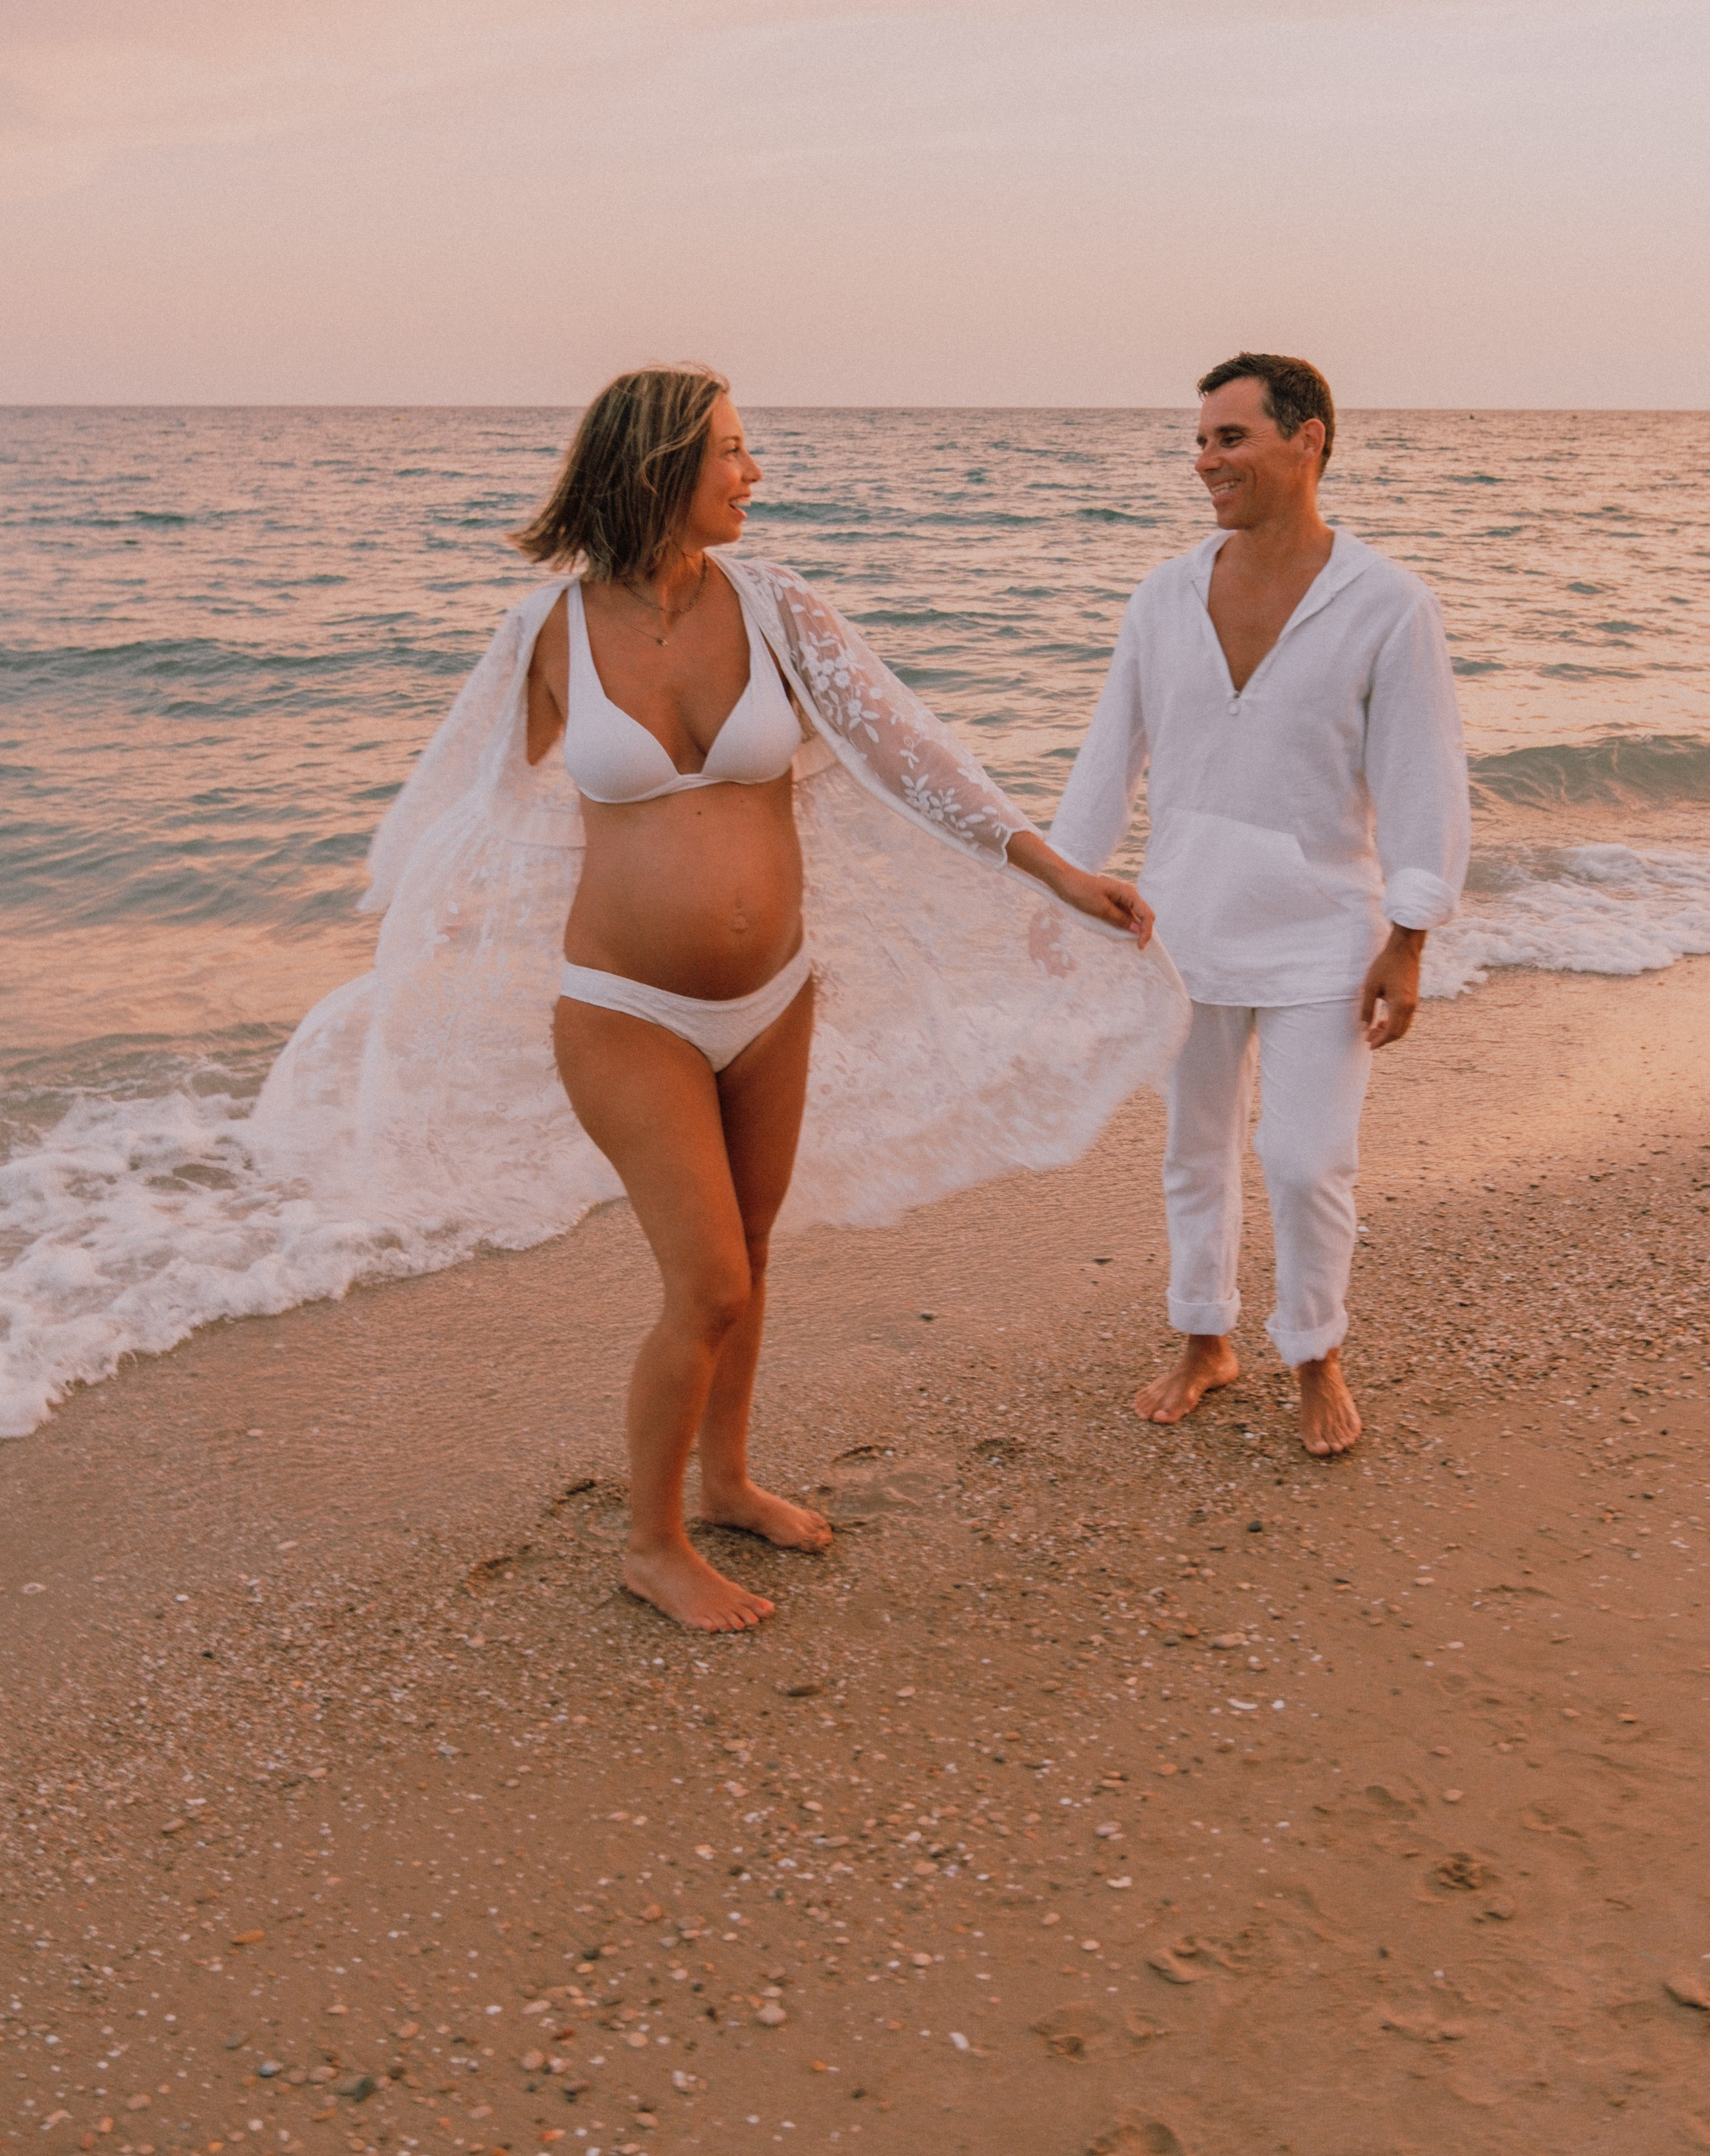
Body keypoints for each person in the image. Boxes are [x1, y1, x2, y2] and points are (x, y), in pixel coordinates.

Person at [254, 365, 1189, 1630]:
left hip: (774, 1000)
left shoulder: (776, 605)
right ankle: (651, 1545)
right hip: (622, 1010)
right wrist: (435, 937)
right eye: (733, 453)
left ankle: (729, 1481)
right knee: (707, 1285)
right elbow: (472, 803)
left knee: (748, 1256)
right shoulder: (546, 635)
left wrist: (1055, 869)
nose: (755, 475)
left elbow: (907, 751)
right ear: (659, 466)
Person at [1049, 353, 1470, 1458]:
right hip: (1179, 929)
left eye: (1230, 438)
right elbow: (1107, 758)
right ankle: (1205, 1339)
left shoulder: (1387, 604)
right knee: (1195, 1153)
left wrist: (1410, 938)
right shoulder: (1163, 595)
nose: (1206, 461)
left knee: (1305, 1159)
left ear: (1307, 439)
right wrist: (1062, 889)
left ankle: (1315, 1353)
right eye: (1200, 441)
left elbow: (1423, 781)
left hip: (1326, 933)